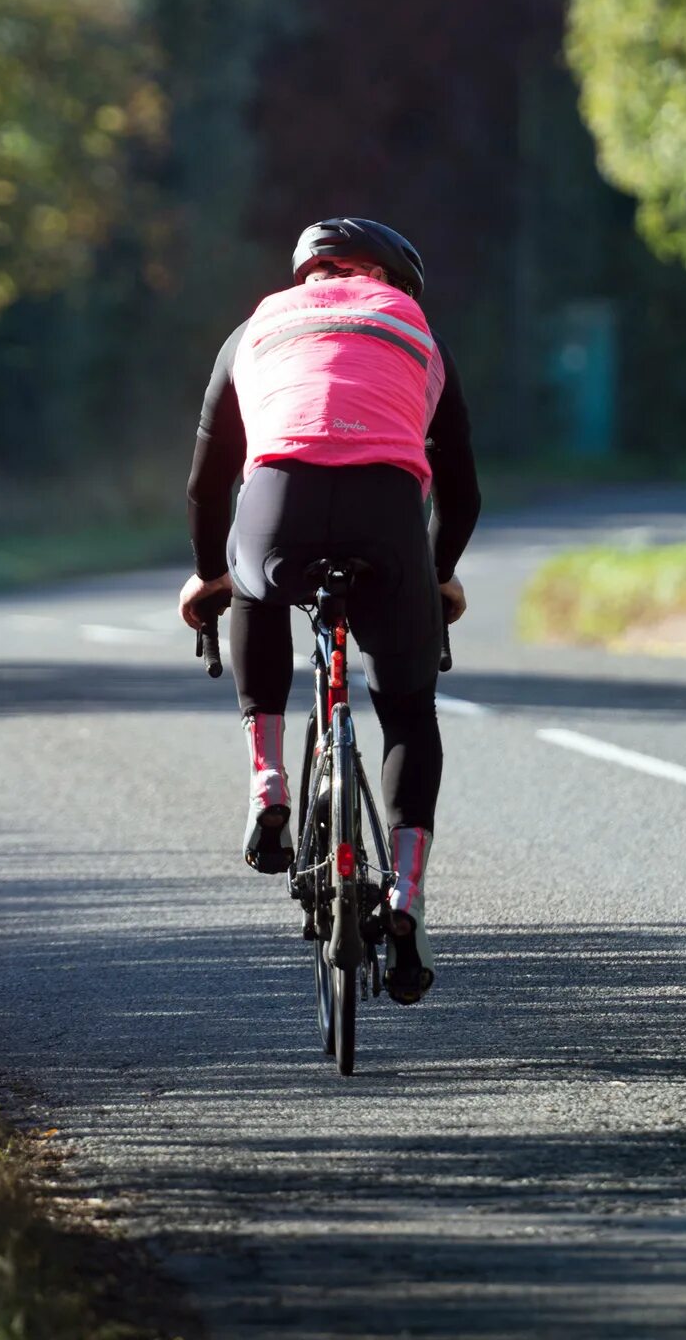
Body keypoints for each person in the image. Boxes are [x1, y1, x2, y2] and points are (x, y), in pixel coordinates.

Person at [178, 217, 480, 1005]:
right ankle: (407, 894)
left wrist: (210, 575)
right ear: (395, 280)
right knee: (408, 709)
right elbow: (462, 491)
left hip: (280, 504)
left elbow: (209, 483)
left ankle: (270, 780)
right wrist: (437, 576)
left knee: (255, 590)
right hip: (388, 512)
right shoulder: (415, 329)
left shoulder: (257, 325)